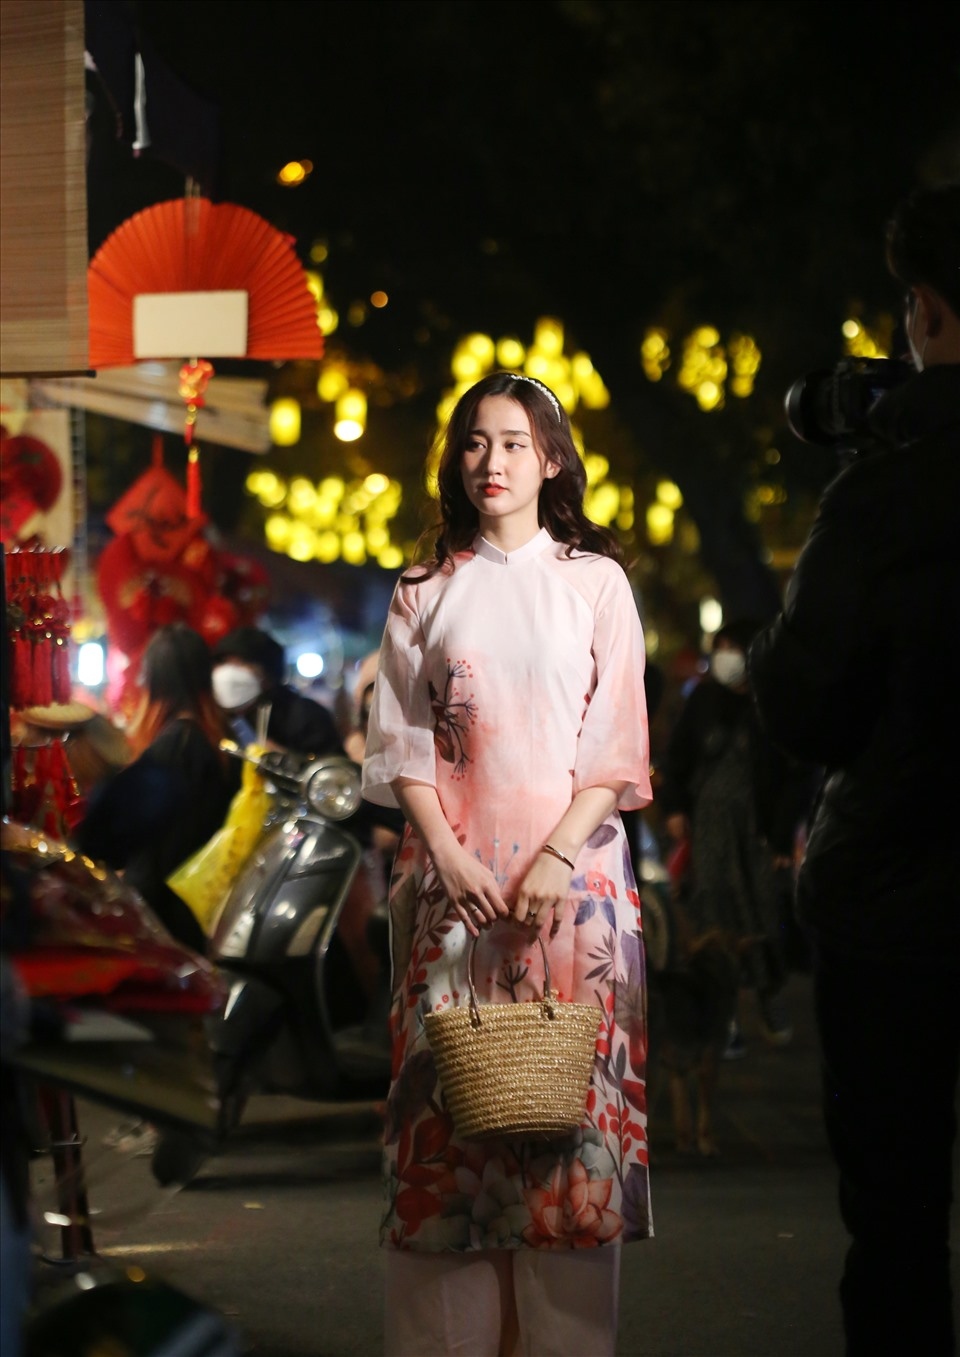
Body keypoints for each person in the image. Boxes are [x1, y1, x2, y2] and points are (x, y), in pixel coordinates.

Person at [361, 371, 653, 1357]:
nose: (495, 462)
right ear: (458, 458)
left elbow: (617, 750)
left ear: (553, 458)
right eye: (478, 442)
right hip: (456, 899)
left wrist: (557, 855)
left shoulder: (595, 583)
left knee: (564, 1159)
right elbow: (400, 744)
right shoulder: (423, 591)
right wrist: (444, 856)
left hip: (577, 903)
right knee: (449, 1155)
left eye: (517, 443)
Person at [748, 182, 960, 1356]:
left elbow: (804, 702)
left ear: (924, 312)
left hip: (896, 907)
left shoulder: (882, 496)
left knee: (897, 1219)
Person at [658, 619, 814, 1054]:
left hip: (758, 833)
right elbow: (680, 756)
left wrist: (782, 837)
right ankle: (722, 1017)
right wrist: (674, 808)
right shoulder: (704, 700)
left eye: (733, 646)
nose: (726, 656)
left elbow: (796, 775)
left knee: (762, 913)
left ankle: (768, 995)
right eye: (720, 646)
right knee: (713, 914)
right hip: (710, 831)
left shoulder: (774, 703)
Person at [74, 623, 238, 956]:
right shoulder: (214, 736)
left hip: (166, 919)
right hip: (197, 908)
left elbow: (129, 845)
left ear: (153, 680)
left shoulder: (176, 745)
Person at [210, 625, 344, 756]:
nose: (228, 673)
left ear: (268, 673)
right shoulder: (215, 717)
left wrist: (285, 761)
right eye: (223, 663)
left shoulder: (304, 715)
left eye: (240, 664)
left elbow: (334, 771)